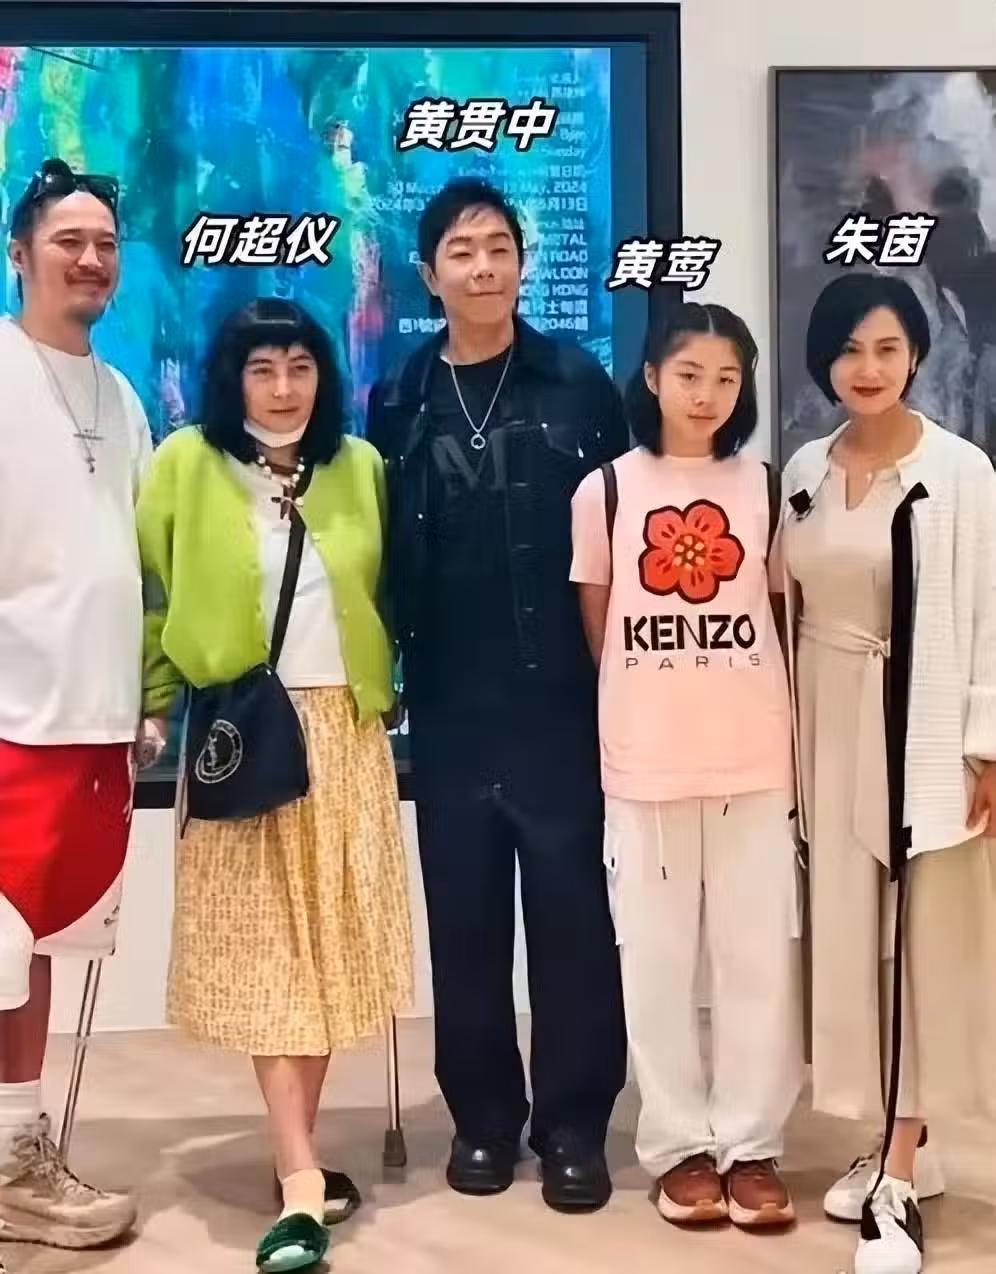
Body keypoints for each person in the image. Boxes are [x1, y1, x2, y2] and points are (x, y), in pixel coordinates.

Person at [366, 178, 629, 1211]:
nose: (482, 267)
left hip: (561, 699)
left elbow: (624, 536)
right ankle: (481, 1118)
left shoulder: (578, 383)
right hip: (449, 700)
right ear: (429, 275)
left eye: (498, 248)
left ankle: (573, 1125)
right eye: (460, 251)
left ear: (522, 264)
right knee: (465, 921)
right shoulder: (399, 397)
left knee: (573, 919)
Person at [136, 298, 413, 1272]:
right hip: (246, 733)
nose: (284, 387)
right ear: (234, 379)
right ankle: (300, 1179)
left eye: (300, 366)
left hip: (344, 734)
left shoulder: (360, 467)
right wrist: (154, 705)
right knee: (268, 959)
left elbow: (385, 595)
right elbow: (155, 593)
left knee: (325, 957)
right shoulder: (185, 463)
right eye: (263, 369)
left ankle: (296, 1156)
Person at [777, 272, 996, 1274]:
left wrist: (984, 743)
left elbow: (989, 614)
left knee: (919, 942)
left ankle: (899, 1174)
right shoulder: (806, 468)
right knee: (855, 940)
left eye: (887, 349)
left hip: (921, 725)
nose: (868, 368)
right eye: (849, 349)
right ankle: (898, 1135)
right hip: (827, 719)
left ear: (916, 357)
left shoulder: (961, 472)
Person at [570, 302, 803, 1230]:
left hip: (755, 762)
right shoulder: (606, 492)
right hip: (647, 767)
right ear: (652, 378)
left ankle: (753, 1144)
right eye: (689, 374)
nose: (707, 395)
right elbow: (602, 631)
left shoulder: (767, 488)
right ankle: (678, 1149)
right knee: (657, 969)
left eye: (727, 378)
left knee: (758, 965)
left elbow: (778, 619)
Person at [0, 158, 150, 1251]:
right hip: (10, 719)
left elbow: (136, 562)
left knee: (36, 946)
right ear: (20, 255)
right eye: (68, 242)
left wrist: (147, 701)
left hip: (93, 728)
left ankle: (17, 1152)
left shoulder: (123, 395)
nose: (90, 259)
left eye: (104, 244)